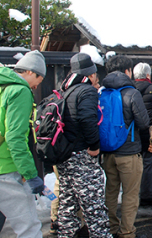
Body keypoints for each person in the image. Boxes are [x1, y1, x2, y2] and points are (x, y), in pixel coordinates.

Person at [56, 53, 112, 238]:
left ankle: (67, 234)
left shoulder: (66, 90)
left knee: (68, 204)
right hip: (81, 155)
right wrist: (94, 146)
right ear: (92, 74)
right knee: (94, 207)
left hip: (66, 155)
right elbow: (88, 119)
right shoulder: (86, 91)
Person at [101, 55, 149, 238]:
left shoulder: (101, 92)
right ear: (127, 71)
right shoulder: (132, 93)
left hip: (108, 152)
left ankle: (111, 228)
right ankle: (127, 232)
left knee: (111, 191)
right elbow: (143, 122)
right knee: (130, 194)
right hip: (129, 152)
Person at [0, 50, 45, 238]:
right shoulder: (20, 91)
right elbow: (15, 137)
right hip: (7, 168)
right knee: (29, 228)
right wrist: (30, 173)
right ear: (31, 73)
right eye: (39, 81)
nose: (36, 87)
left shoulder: (3, 87)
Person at [133, 63, 152, 207]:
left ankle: (143, 191)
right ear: (148, 75)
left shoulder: (130, 89)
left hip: (133, 133)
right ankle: (146, 195)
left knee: (137, 165)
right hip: (150, 133)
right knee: (148, 164)